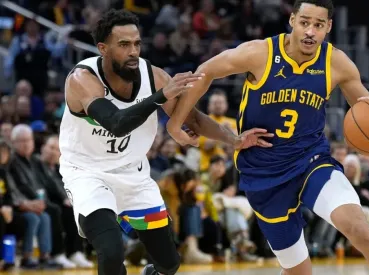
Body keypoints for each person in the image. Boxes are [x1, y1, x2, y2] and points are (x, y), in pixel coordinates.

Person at [165, 1, 369, 274]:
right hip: (262, 172)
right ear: (292, 20)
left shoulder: (336, 62)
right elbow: (205, 71)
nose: (310, 32)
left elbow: (365, 107)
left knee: (360, 230)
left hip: (311, 160)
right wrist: (175, 123)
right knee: (298, 271)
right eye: (305, 22)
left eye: (318, 25)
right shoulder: (260, 53)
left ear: (329, 27)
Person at [59, 9, 272, 275]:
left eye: (137, 43)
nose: (133, 51)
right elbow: (116, 123)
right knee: (111, 252)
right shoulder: (82, 79)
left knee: (169, 263)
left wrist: (234, 139)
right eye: (124, 45)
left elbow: (192, 118)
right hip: (87, 174)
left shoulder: (154, 76)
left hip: (134, 174)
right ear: (103, 48)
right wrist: (160, 97)